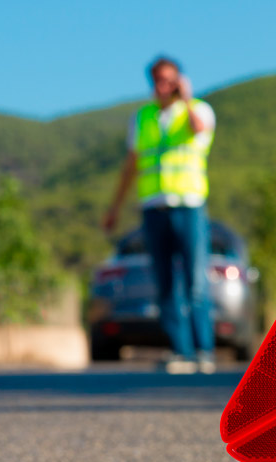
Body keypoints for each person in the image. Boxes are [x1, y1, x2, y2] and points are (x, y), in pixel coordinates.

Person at [103, 56, 217, 374]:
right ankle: (180, 352)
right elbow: (131, 166)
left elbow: (199, 130)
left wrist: (188, 98)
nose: (163, 86)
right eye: (158, 81)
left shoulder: (198, 109)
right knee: (166, 284)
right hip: (153, 207)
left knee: (196, 281)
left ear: (179, 80)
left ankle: (203, 351)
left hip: (189, 205)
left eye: (170, 80)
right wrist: (114, 208)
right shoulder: (143, 118)